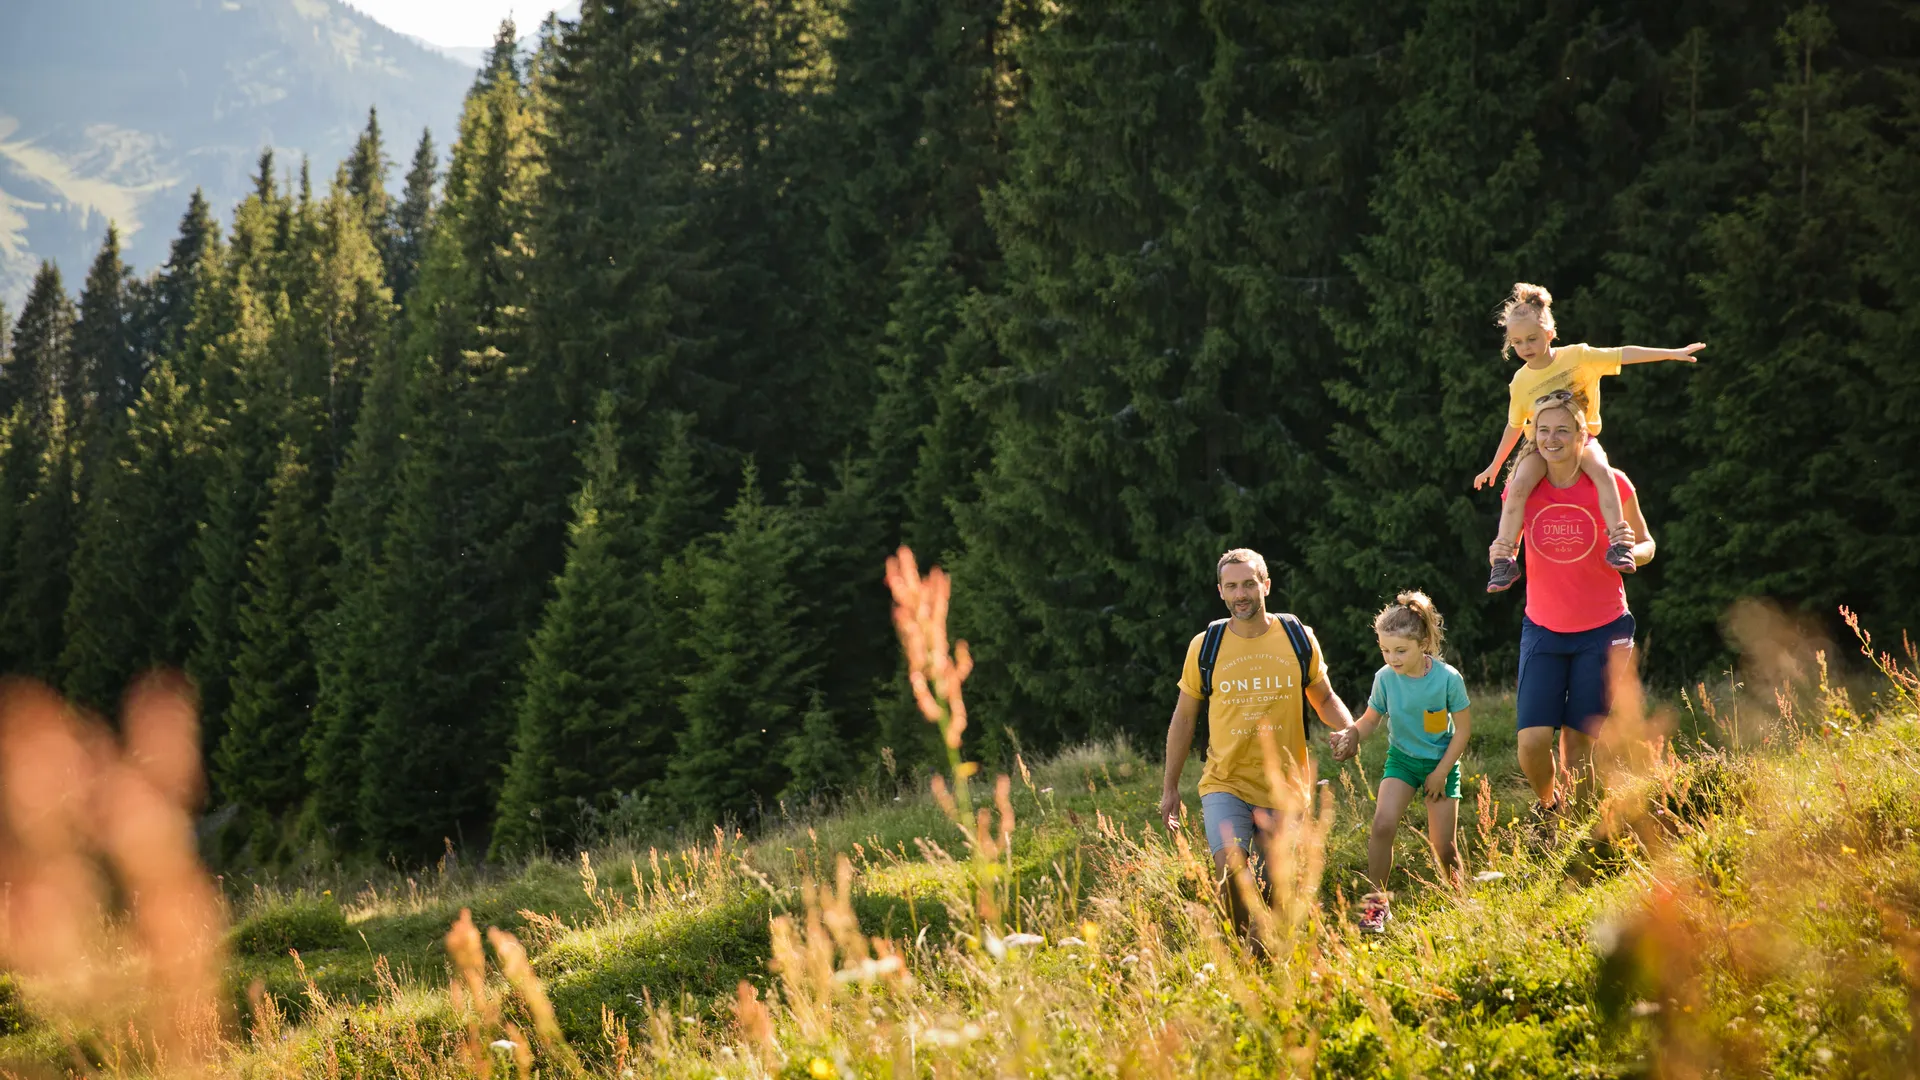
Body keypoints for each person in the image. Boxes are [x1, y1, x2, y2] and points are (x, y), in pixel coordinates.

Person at [1158, 548, 1355, 941]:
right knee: (1231, 872)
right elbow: (1183, 718)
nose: (1241, 593)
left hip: (1284, 785)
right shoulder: (1205, 645)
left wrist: (1348, 728)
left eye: (1249, 583)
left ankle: (1259, 963)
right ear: (1220, 592)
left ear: (1266, 584)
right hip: (1224, 781)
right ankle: (1240, 955)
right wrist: (1170, 786)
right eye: (1232, 586)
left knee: (1273, 889)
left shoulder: (1297, 637)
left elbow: (1324, 697)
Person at [1474, 283, 1701, 592]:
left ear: (1550, 333)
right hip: (1540, 446)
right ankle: (1505, 559)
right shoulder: (1520, 382)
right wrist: (1494, 465)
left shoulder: (1579, 357)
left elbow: (1622, 354)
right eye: (1517, 342)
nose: (1525, 347)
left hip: (1581, 439)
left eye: (1532, 338)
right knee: (1518, 487)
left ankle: (1619, 544)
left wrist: (1672, 354)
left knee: (1605, 474)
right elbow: (1515, 426)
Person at [1509, 389, 1655, 816]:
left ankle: (1580, 831)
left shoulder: (1613, 482)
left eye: (1563, 430)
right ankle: (1549, 808)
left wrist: (1632, 556)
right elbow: (1508, 544)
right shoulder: (1525, 486)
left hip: (1605, 629)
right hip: (1544, 629)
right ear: (1533, 435)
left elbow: (1645, 542)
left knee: (1579, 744)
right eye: (1543, 430)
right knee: (1532, 743)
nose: (1552, 438)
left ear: (1581, 435)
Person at [1328, 591, 1472, 933]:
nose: (1392, 658)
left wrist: (1440, 773)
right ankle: (1376, 908)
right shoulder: (1385, 678)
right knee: (1382, 825)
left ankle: (1460, 899)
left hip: (1441, 762)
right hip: (1402, 761)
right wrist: (1351, 735)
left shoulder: (1448, 679)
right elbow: (1370, 719)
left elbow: (1463, 732)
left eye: (1400, 651)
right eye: (1385, 650)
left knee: (1443, 846)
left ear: (1422, 644)